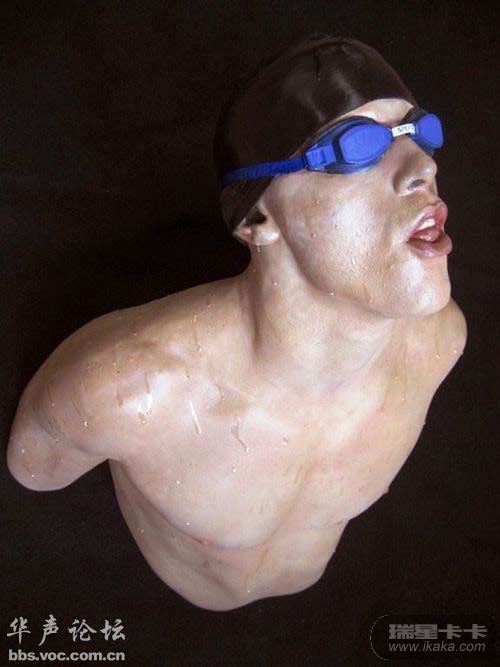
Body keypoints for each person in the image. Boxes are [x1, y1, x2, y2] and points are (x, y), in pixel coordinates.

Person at [7, 35, 467, 611]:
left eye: (417, 133)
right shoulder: (120, 391)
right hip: (168, 596)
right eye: (356, 147)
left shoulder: (437, 344)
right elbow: (36, 471)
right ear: (259, 220)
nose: (424, 167)